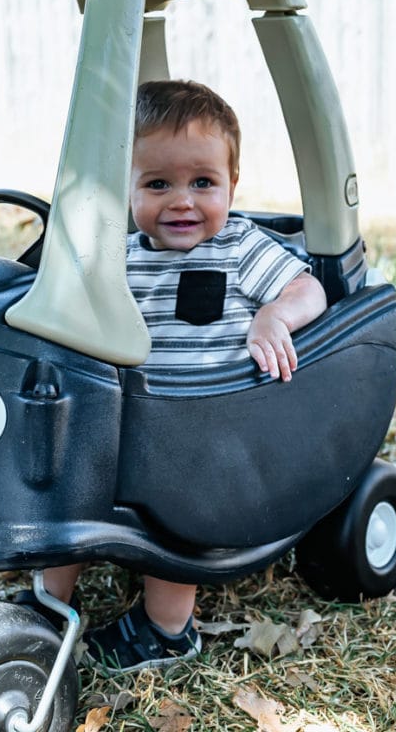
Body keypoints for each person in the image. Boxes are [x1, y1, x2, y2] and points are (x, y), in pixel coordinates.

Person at [23, 80, 328, 672]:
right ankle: (45, 602)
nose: (182, 201)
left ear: (232, 186)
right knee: (69, 480)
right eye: (158, 183)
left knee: (175, 511)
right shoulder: (120, 254)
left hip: (208, 429)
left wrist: (273, 314)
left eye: (203, 183)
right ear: (125, 190)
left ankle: (168, 629)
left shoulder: (240, 247)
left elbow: (307, 288)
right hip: (128, 418)